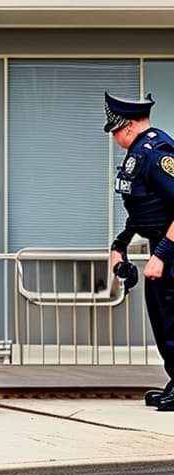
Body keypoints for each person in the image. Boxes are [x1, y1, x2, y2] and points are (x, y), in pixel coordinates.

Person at [105, 91, 174, 411]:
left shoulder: (156, 152)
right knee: (163, 320)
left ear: (130, 126)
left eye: (115, 130)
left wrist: (161, 253)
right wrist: (119, 246)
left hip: (170, 250)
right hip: (163, 247)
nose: (113, 135)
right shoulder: (139, 154)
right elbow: (143, 210)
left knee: (172, 319)